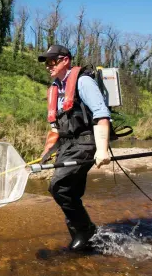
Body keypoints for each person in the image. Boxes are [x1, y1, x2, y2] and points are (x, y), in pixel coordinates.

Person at [38, 45, 111, 251]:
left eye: (52, 61)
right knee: (71, 191)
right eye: (46, 62)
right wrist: (45, 154)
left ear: (65, 60)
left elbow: (101, 115)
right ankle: (84, 236)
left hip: (86, 141)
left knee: (59, 187)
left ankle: (85, 229)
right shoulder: (55, 87)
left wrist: (102, 150)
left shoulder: (83, 81)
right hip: (67, 144)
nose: (48, 66)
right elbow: (56, 130)